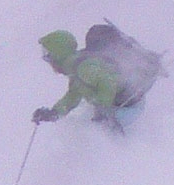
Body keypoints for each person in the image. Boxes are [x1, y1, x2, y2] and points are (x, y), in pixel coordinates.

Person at [32, 22, 163, 131]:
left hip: (126, 108)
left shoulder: (83, 67)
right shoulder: (76, 69)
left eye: (47, 54)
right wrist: (53, 113)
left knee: (89, 133)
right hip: (122, 106)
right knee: (85, 127)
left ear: (58, 54)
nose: (46, 59)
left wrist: (103, 112)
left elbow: (108, 81)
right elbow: (72, 97)